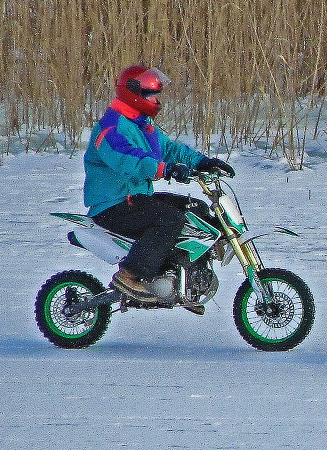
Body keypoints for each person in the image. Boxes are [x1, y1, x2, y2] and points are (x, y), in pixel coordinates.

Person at [83, 65, 235, 305]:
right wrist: (164, 169)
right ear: (134, 94)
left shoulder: (143, 126)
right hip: (113, 206)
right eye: (151, 95)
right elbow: (127, 159)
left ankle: (187, 278)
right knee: (169, 219)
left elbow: (171, 149)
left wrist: (203, 162)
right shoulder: (110, 127)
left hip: (136, 198)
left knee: (194, 208)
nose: (155, 100)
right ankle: (130, 275)